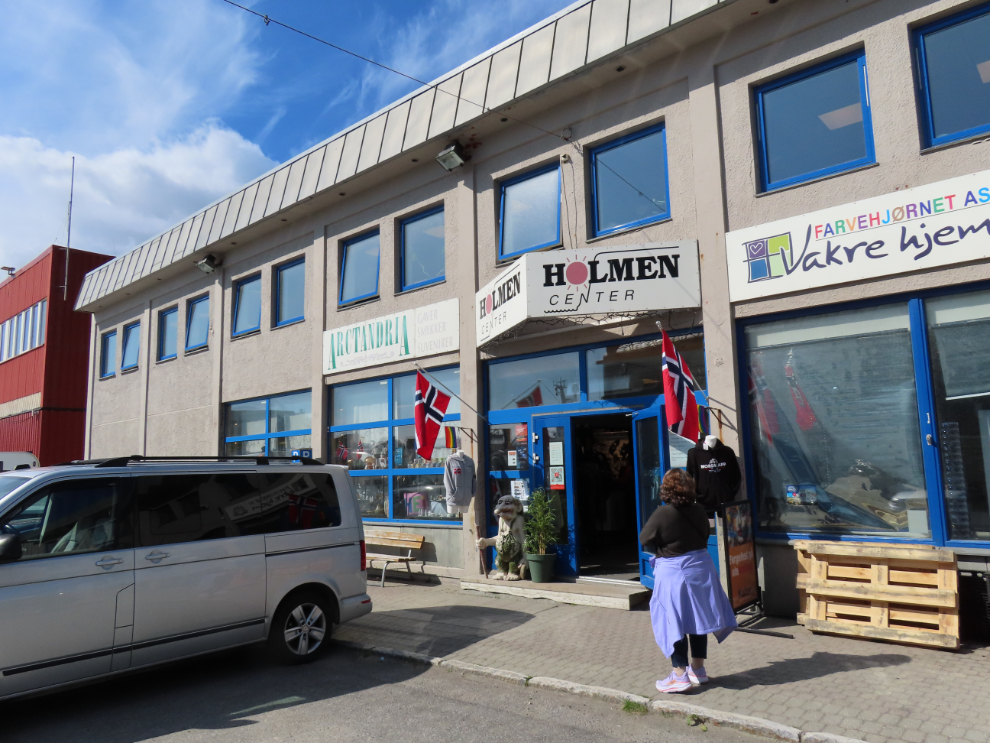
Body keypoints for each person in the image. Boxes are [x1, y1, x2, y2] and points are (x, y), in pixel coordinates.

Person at [639, 468, 737, 693]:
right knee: (698, 619)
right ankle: (698, 670)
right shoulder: (699, 510)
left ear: (666, 488)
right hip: (702, 569)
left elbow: (644, 539)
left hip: (675, 573)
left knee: (675, 621)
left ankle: (679, 675)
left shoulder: (663, 513)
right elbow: (704, 537)